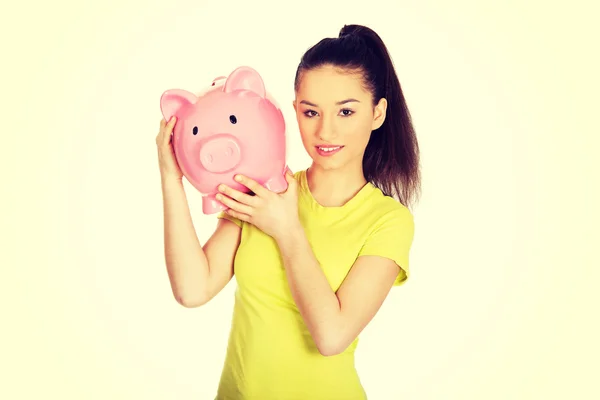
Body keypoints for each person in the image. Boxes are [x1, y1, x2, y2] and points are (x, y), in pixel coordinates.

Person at [155, 23, 421, 400]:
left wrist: (287, 231)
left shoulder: (388, 222)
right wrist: (171, 177)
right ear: (294, 110)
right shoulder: (262, 192)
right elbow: (192, 289)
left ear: (377, 113)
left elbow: (332, 336)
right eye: (311, 112)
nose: (326, 131)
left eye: (346, 111)